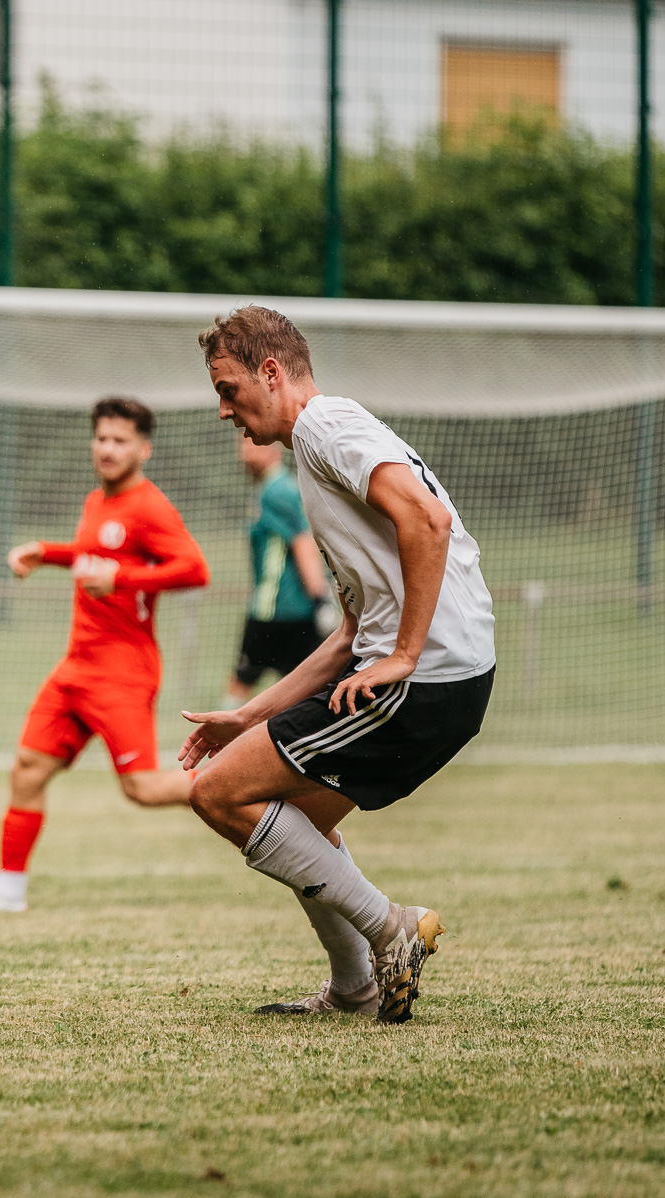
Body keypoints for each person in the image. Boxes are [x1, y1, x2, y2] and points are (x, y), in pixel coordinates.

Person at [180, 306, 496, 1024]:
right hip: (448, 677)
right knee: (293, 822)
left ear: (271, 372)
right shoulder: (317, 449)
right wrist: (248, 715)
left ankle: (392, 929)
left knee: (216, 794)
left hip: (425, 676)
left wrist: (405, 654)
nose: (224, 410)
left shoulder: (325, 427)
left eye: (229, 390)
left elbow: (428, 521)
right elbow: (351, 633)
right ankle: (354, 988)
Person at [0, 396, 210, 914]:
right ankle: (8, 892)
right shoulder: (97, 501)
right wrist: (47, 553)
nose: (107, 448)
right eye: (101, 438)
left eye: (120, 440)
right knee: (28, 768)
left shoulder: (148, 506)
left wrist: (123, 578)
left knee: (142, 789)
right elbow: (95, 554)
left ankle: (248, 784)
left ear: (143, 449)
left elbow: (194, 568)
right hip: (76, 667)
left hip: (123, 672)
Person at [224, 429, 330, 709]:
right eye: (241, 445)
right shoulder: (269, 489)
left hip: (277, 612)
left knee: (244, 681)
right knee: (303, 691)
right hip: (285, 611)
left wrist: (321, 598)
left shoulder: (278, 491)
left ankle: (219, 733)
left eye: (251, 444)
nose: (244, 453)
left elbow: (303, 544)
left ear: (273, 448)